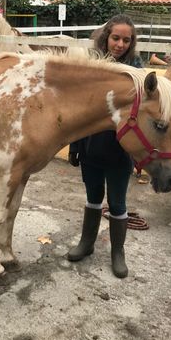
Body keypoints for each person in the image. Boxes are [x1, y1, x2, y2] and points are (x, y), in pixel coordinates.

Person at [67, 14, 146, 279]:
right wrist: (75, 144)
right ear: (106, 37)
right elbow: (81, 109)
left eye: (127, 39)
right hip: (91, 146)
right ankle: (86, 243)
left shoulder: (136, 73)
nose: (120, 44)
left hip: (120, 151)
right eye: (116, 38)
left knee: (117, 202)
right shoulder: (92, 67)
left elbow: (142, 118)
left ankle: (117, 253)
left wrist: (137, 154)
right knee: (92, 197)